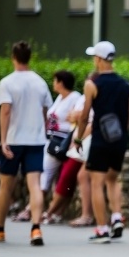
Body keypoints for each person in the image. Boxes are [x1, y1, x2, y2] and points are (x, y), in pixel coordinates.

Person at [0, 40, 53, 246]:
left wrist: (4, 140)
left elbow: (5, 111)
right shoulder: (40, 82)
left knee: (6, 186)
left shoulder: (7, 82)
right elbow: (46, 112)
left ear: (13, 58)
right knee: (34, 185)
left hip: (14, 140)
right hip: (35, 140)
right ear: (29, 58)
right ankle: (35, 229)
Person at [74, 40, 129, 243]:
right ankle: (117, 216)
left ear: (99, 59)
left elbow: (84, 116)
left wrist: (78, 137)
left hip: (100, 139)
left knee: (97, 183)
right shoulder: (125, 85)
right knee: (113, 179)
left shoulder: (92, 84)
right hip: (119, 140)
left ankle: (102, 228)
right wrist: (121, 134)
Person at [13, 70, 82, 223]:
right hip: (50, 141)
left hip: (61, 142)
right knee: (51, 178)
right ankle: (48, 211)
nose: (53, 84)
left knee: (45, 176)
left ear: (61, 83)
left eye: (55, 81)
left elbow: (75, 116)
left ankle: (30, 210)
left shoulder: (74, 97)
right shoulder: (59, 98)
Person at [44, 73, 97, 225]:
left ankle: (52, 212)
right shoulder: (82, 98)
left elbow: (85, 119)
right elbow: (71, 117)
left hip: (84, 142)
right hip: (78, 140)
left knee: (69, 175)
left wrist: (78, 137)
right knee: (70, 177)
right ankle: (55, 212)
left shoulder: (91, 98)